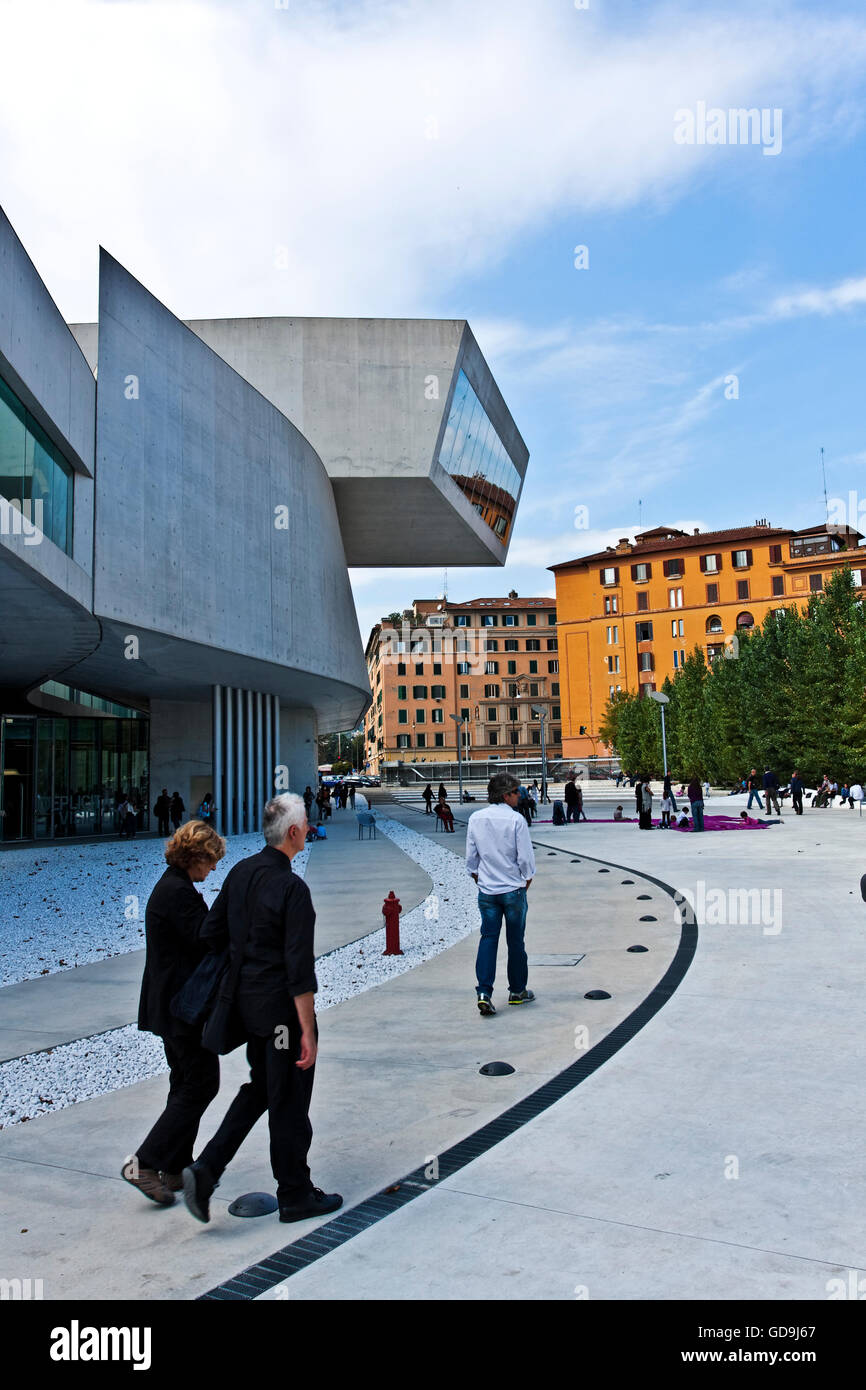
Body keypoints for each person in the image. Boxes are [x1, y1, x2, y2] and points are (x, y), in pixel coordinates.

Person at [182, 793, 342, 1225]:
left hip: (244, 1007)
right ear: (293, 833)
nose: (309, 829)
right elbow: (298, 968)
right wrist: (307, 1029)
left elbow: (210, 932)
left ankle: (206, 1169)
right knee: (289, 1099)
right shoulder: (292, 888)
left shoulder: (240, 872)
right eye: (306, 824)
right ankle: (294, 1194)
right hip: (280, 1014)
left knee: (261, 1089)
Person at [123, 819, 226, 1206]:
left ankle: (174, 1163)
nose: (213, 868)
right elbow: (206, 938)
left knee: (185, 1082)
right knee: (201, 1083)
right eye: (211, 860)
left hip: (171, 1005)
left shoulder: (173, 886)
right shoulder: (177, 894)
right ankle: (145, 1162)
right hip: (181, 1008)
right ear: (195, 856)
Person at [466, 773, 536, 1017]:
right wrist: (526, 879)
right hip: (513, 890)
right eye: (516, 792)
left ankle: (484, 992)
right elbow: (525, 858)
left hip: (487, 891)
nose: (520, 796)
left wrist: (480, 879)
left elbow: (471, 860)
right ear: (506, 795)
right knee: (515, 941)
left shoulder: (476, 819)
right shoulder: (516, 820)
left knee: (488, 938)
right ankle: (517, 991)